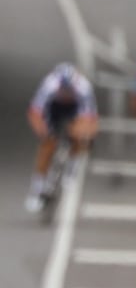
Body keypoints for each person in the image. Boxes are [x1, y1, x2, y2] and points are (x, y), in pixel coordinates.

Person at [26, 63, 98, 212]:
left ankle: (72, 165)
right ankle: (38, 188)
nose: (66, 92)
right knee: (47, 145)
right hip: (53, 108)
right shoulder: (49, 85)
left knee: (79, 137)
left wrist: (86, 136)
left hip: (75, 109)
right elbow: (35, 113)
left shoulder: (83, 88)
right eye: (63, 89)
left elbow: (91, 119)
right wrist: (43, 132)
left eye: (68, 90)